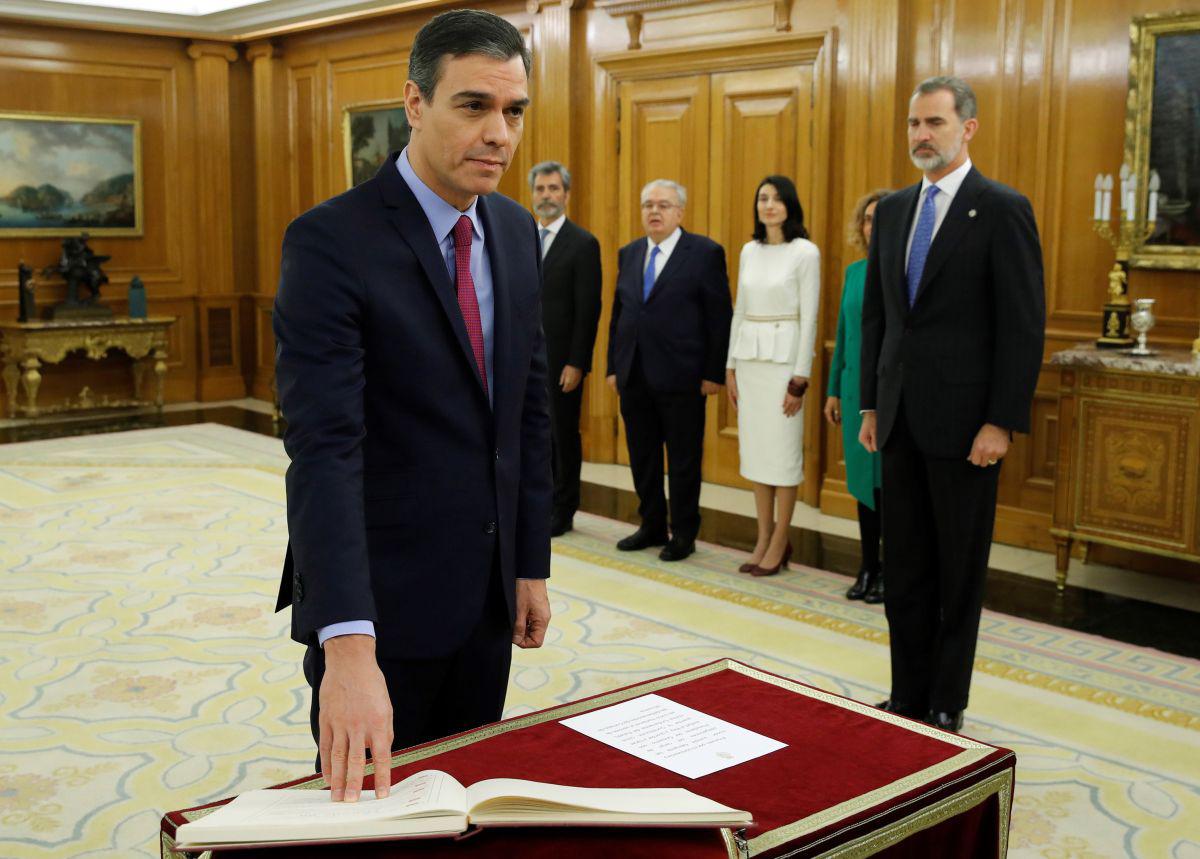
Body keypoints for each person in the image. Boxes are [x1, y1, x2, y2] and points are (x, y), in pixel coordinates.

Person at [273, 9, 553, 803]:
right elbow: (325, 451)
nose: (499, 133)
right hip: (381, 608)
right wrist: (347, 647)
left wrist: (529, 561)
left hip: (487, 600)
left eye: (514, 111)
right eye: (474, 106)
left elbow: (528, 411)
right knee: (373, 823)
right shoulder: (330, 242)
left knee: (466, 805)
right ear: (415, 103)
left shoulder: (515, 230)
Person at [859, 76, 1044, 732]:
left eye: (934, 122)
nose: (921, 135)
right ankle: (907, 693)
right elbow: (878, 316)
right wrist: (870, 405)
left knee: (957, 571)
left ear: (968, 128)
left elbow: (1022, 325)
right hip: (899, 419)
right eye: (914, 123)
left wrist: (1001, 420)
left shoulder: (1001, 208)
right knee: (905, 566)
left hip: (968, 427)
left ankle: (945, 700)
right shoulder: (894, 210)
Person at [606, 179, 732, 562]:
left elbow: (719, 317)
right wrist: (613, 366)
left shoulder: (705, 253)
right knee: (642, 457)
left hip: (683, 377)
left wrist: (713, 373)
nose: (654, 211)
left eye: (663, 205)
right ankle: (652, 525)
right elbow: (619, 315)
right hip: (634, 375)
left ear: (680, 212)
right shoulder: (630, 253)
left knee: (683, 461)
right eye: (648, 205)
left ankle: (684, 533)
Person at [724, 176, 820, 576]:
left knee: (783, 457)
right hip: (750, 363)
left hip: (784, 367)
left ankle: (781, 540)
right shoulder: (749, 250)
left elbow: (810, 317)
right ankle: (763, 537)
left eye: (777, 199)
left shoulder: (805, 252)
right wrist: (730, 366)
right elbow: (740, 309)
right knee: (758, 455)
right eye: (763, 198)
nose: (769, 205)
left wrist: (800, 379)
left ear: (790, 205)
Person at [529, 161, 602, 536]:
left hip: (561, 362)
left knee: (562, 435)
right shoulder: (523, 237)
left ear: (567, 194)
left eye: (553, 189)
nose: (546, 196)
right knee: (532, 434)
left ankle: (564, 507)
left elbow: (588, 311)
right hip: (524, 359)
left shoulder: (583, 244)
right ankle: (537, 501)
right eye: (540, 189)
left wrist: (577, 362)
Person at [824, 189, 890, 602]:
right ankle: (868, 566)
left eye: (881, 219)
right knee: (864, 486)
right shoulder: (854, 272)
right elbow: (844, 334)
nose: (873, 226)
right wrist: (833, 390)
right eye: (867, 219)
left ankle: (890, 571)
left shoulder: (902, 272)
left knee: (889, 490)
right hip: (853, 393)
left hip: (888, 396)